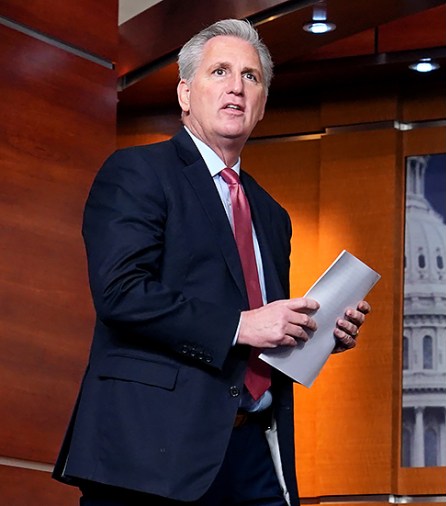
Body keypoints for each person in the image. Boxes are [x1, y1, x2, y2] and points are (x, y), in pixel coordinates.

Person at [53, 19, 370, 506]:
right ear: (184, 93)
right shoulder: (137, 171)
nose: (236, 87)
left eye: (251, 77)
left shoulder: (271, 214)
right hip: (151, 455)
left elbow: (262, 338)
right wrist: (241, 325)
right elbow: (121, 293)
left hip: (254, 451)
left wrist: (318, 335)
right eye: (219, 71)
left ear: (262, 106)